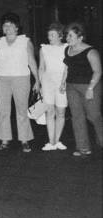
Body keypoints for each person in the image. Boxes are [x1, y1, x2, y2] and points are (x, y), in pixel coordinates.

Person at [0, 13, 39, 152]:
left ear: (17, 28)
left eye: (10, 25)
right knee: (3, 111)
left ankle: (24, 140)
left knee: (21, 110)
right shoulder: (0, 42)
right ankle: (4, 139)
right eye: (5, 25)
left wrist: (37, 80)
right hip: (2, 80)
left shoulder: (25, 41)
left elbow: (31, 61)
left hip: (21, 78)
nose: (7, 28)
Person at [61, 23, 102, 158]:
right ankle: (83, 147)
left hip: (89, 86)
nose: (67, 38)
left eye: (71, 35)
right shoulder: (67, 49)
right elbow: (67, 68)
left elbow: (98, 71)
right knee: (77, 117)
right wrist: (63, 83)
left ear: (80, 37)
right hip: (72, 86)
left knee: (93, 115)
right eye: (67, 35)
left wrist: (90, 88)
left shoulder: (91, 51)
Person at [37, 23, 68, 151]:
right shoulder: (43, 48)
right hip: (47, 81)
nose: (50, 37)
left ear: (60, 36)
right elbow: (41, 67)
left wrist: (63, 82)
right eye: (49, 35)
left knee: (61, 112)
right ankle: (51, 141)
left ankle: (57, 140)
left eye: (53, 35)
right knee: (49, 111)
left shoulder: (67, 47)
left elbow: (67, 67)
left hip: (61, 81)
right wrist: (39, 83)